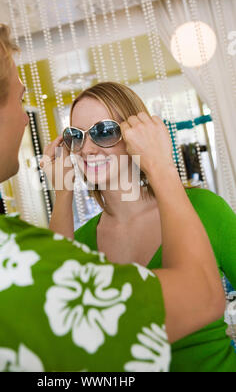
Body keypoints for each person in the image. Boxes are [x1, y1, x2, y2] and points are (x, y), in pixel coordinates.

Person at [0, 10, 224, 373]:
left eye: (103, 131)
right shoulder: (2, 253)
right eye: (20, 100)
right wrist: (161, 167)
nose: (27, 118)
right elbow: (201, 296)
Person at [45, 82, 236, 372]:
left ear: (137, 135)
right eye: (75, 136)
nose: (85, 148)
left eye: (104, 131)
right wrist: (62, 193)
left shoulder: (205, 209)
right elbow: (57, 329)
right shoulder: (77, 243)